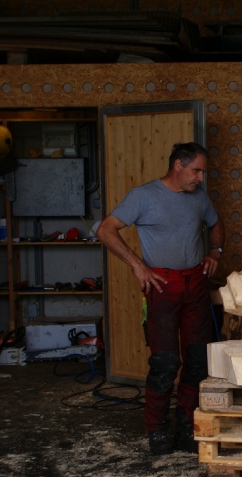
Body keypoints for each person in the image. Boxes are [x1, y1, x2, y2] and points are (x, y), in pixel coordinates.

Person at [96, 142, 223, 455]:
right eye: (196, 171)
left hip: (196, 283)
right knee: (165, 363)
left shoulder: (199, 197)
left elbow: (216, 223)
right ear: (178, 165)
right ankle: (157, 431)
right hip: (163, 285)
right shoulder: (143, 196)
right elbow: (106, 229)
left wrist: (215, 252)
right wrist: (137, 265)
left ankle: (186, 428)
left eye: (202, 172)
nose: (200, 178)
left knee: (197, 360)